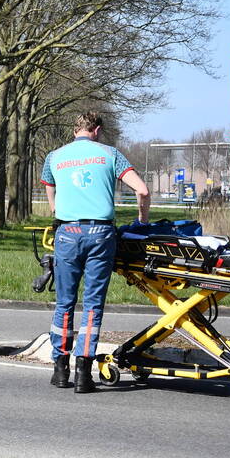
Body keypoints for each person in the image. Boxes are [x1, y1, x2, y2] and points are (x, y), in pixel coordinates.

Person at [40, 111, 150, 393]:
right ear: (97, 130)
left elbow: (49, 188)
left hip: (68, 233)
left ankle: (60, 368)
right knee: (92, 304)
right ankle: (83, 372)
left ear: (75, 130)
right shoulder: (111, 154)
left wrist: (57, 210)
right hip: (101, 233)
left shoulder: (54, 156)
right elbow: (143, 190)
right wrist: (142, 221)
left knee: (64, 302)